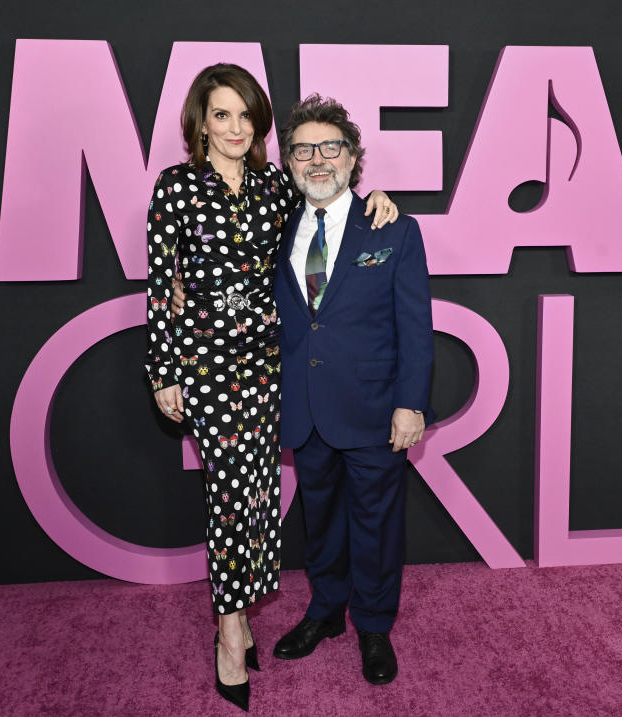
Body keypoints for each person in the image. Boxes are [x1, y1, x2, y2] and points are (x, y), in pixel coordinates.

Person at [145, 64, 398, 711]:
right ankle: (230, 631)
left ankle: (246, 616)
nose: (234, 127)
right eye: (221, 114)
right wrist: (163, 369)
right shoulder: (175, 191)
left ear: (258, 125)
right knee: (229, 502)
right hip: (207, 374)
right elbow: (162, 289)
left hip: (268, 374)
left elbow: (330, 200)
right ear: (200, 122)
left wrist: (379, 199)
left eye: (244, 115)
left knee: (257, 504)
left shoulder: (273, 191)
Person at [269, 94, 433, 685]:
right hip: (303, 408)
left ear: (353, 157)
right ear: (288, 162)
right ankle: (325, 610)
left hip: (373, 409)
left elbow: (414, 325)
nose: (318, 159)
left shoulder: (394, 228)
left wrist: (410, 403)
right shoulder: (272, 227)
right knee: (321, 518)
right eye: (304, 149)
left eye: (330, 147)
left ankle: (372, 624)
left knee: (376, 522)